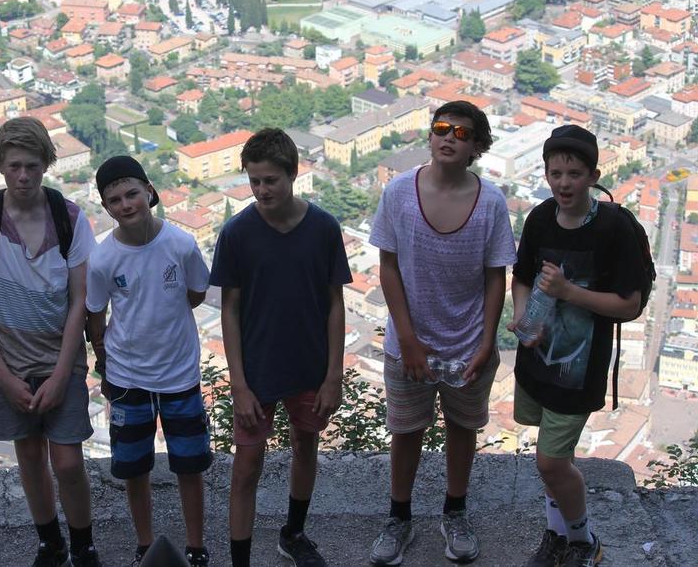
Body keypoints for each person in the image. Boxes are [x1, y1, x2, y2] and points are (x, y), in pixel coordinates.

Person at [368, 100, 516, 566]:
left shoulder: (490, 202)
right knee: (406, 430)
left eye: (462, 132)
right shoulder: (398, 192)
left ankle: (455, 512)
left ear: (476, 147)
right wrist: (408, 338)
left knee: (462, 428)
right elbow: (387, 267)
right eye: (442, 128)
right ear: (430, 135)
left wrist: (487, 342)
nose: (450, 136)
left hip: (469, 342)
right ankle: (399, 518)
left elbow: (497, 277)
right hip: (408, 342)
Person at [0, 117, 100, 567]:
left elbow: (81, 298)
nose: (23, 176)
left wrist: (64, 372)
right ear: (0, 165)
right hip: (7, 361)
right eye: (14, 166)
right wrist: (1, 375)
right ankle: (50, 542)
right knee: (30, 459)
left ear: (46, 166)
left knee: (69, 462)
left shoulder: (69, 217)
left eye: (32, 166)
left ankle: (82, 544)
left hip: (61, 357)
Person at [209, 128, 351, 567]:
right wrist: (239, 385)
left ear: (293, 174)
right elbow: (228, 312)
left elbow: (335, 304)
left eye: (270, 180)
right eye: (253, 181)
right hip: (257, 369)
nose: (261, 190)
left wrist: (332, 377)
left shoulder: (324, 228)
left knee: (305, 445)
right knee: (246, 465)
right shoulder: (237, 233)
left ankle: (293, 533)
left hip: (309, 365)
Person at [510, 125, 643, 567]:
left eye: (574, 173)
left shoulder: (614, 229)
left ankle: (584, 541)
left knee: (550, 462)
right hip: (537, 360)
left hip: (579, 369)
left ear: (593, 175)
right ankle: (556, 534)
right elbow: (523, 277)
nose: (564, 183)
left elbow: (629, 305)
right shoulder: (541, 218)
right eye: (555, 173)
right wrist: (526, 318)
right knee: (551, 458)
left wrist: (569, 292)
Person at [85, 156, 212, 567]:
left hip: (179, 373)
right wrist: (103, 364)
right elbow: (95, 313)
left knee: (189, 466)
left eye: (132, 194)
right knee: (134, 469)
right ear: (106, 208)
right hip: (128, 376)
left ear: (149, 192)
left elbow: (196, 293)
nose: (126, 205)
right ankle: (145, 544)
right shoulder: (104, 259)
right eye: (115, 199)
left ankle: (195, 546)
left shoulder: (180, 244)